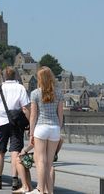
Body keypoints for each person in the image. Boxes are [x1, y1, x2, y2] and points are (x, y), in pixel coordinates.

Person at [0, 66, 30, 190]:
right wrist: (30, 123)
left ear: (3, 76)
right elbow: (25, 108)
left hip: (2, 122)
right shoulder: (20, 88)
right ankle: (14, 180)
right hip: (17, 123)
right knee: (15, 151)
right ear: (15, 76)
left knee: (0, 151)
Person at [26, 66, 64, 194]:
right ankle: (50, 191)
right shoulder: (58, 93)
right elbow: (60, 114)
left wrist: (31, 133)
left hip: (41, 128)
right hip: (54, 128)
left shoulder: (35, 93)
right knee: (49, 162)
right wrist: (58, 128)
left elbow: (33, 115)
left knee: (40, 160)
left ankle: (40, 189)